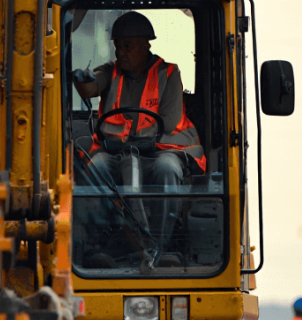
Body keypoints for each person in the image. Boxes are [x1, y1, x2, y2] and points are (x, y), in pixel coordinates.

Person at [72, 11, 204, 260]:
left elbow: (168, 122)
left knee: (168, 169)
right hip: (115, 152)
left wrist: (126, 140)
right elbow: (91, 87)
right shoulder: (109, 71)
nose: (121, 51)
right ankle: (97, 246)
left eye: (128, 46)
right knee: (96, 167)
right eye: (117, 46)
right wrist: (82, 80)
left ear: (145, 46)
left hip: (160, 151)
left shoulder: (168, 74)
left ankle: (161, 245)